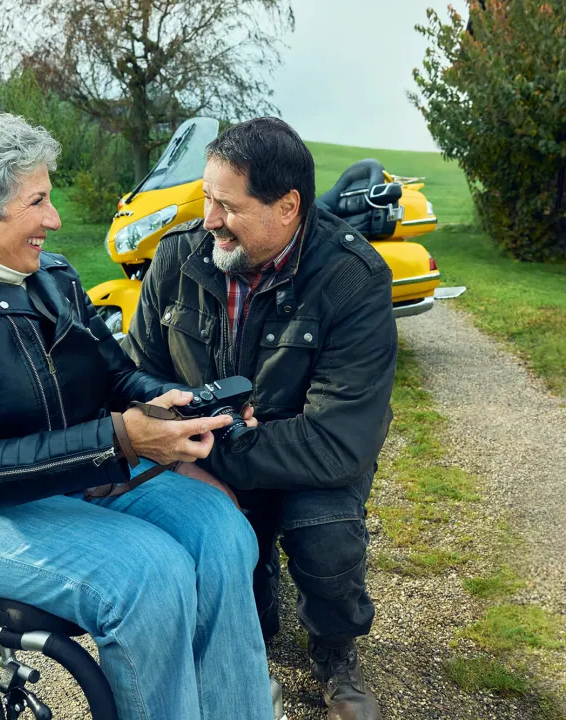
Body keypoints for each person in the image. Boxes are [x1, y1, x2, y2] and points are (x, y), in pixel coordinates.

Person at [0, 108, 274, 720]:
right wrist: (120, 440)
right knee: (150, 574)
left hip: (89, 474)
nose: (54, 220)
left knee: (222, 532)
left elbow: (114, 376)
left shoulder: (52, 276)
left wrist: (173, 403)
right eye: (37, 202)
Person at [122, 116, 397, 720]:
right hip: (201, 448)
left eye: (227, 205)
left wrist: (212, 446)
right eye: (206, 198)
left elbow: (338, 441)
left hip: (303, 457)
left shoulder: (354, 279)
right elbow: (134, 375)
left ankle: (335, 651)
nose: (209, 220)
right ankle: (254, 624)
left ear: (288, 207)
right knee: (218, 564)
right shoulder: (176, 258)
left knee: (325, 543)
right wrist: (180, 437)